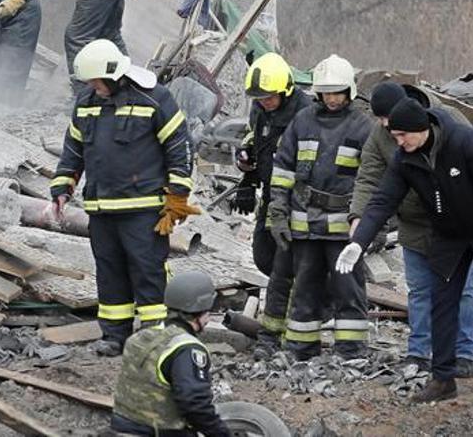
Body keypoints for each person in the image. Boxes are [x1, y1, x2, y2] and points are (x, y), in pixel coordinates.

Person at [338, 98, 473, 405]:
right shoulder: (405, 158)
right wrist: (357, 242)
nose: (398, 142)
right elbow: (382, 200)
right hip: (450, 233)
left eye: (403, 135)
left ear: (421, 129)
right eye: (395, 137)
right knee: (442, 303)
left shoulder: (464, 141)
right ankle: (443, 379)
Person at [50, 39, 197, 356]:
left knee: (147, 269)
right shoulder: (86, 102)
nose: (92, 86)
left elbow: (179, 149)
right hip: (101, 210)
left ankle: (154, 336)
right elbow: (73, 151)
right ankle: (114, 336)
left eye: (96, 81)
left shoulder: (153, 99)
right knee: (110, 271)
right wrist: (62, 188)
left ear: (113, 75)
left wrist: (178, 196)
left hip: (143, 209)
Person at [353, 82, 473, 376]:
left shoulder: (448, 120)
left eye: (389, 119)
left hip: (455, 225)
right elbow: (369, 178)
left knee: (463, 291)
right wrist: (358, 217)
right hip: (414, 225)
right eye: (381, 120)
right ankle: (418, 352)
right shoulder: (380, 135)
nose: (386, 126)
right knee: (420, 291)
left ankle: (464, 353)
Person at [267, 54, 372, 360]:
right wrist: (278, 213)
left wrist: (369, 228)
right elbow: (283, 170)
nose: (332, 99)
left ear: (349, 91)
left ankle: (350, 351)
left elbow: (372, 181)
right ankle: (301, 348)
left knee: (348, 290)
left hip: (342, 231)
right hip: (305, 226)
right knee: (304, 289)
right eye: (326, 93)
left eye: (337, 92)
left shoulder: (362, 127)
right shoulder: (303, 121)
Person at [233, 52, 310, 356]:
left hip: (295, 199)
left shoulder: (304, 115)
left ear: (286, 91)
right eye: (259, 98)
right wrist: (247, 175)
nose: (263, 102)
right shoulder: (261, 109)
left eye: (268, 97)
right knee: (263, 256)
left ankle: (285, 328)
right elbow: (257, 140)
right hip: (269, 194)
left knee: (283, 266)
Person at [111, 271, 233, 437]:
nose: (209, 318)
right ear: (200, 311)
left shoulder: (140, 337)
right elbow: (195, 405)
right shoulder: (187, 349)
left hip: (120, 428)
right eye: (208, 312)